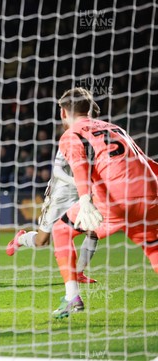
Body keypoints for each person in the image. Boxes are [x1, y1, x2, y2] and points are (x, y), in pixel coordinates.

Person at [50, 87, 158, 319]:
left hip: (117, 199)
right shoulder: (115, 127)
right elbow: (146, 160)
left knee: (60, 230)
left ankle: (72, 298)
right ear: (90, 110)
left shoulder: (71, 134)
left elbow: (79, 167)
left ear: (62, 112)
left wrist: (85, 200)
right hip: (150, 193)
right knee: (153, 247)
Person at [7, 149, 100, 283]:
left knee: (93, 230)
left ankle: (79, 272)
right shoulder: (70, 140)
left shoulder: (98, 141)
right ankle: (20, 239)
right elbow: (57, 171)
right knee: (42, 241)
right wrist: (78, 182)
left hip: (84, 194)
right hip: (61, 195)